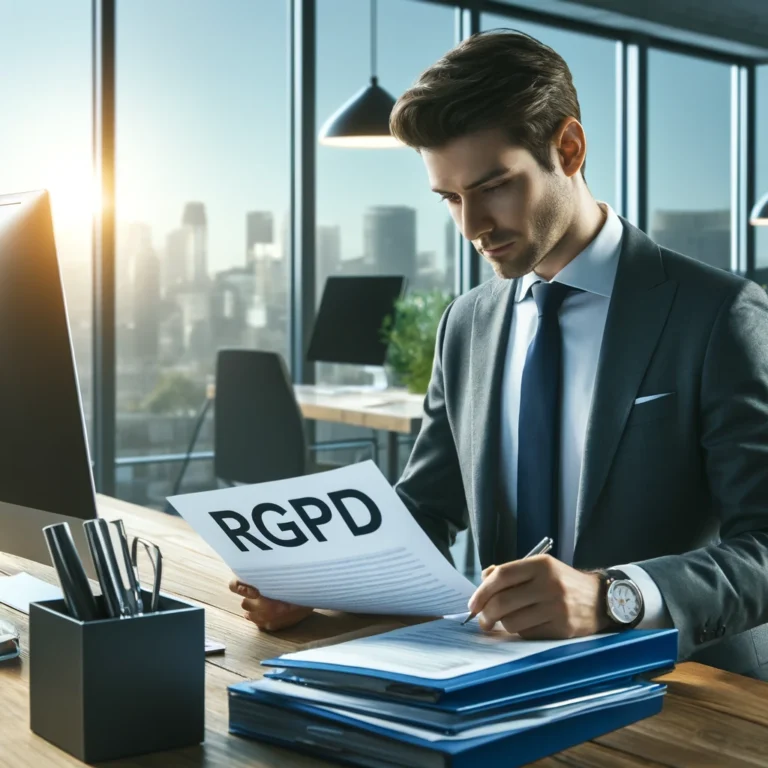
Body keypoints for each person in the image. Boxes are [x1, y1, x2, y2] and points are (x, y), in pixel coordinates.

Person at [229, 29, 768, 679]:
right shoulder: (467, 323)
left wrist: (613, 597)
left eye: (494, 186)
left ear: (568, 149)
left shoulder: (717, 314)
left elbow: (762, 544)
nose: (471, 226)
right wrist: (324, 582)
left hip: (685, 692)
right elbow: (425, 511)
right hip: (500, 679)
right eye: (451, 198)